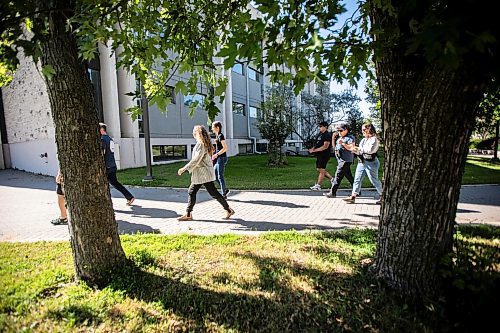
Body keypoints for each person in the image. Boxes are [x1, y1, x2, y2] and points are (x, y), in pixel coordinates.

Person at [177, 125, 235, 221]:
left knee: (194, 192)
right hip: (203, 174)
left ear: (198, 134)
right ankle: (228, 210)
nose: (193, 134)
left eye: (194, 132)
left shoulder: (201, 144)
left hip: (203, 174)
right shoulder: (204, 144)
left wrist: (184, 168)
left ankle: (188, 214)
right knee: (207, 192)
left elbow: (196, 160)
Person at [343, 123, 383, 204]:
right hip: (362, 161)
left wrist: (358, 149)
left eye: (364, 130)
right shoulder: (364, 140)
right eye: (362, 130)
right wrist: (354, 149)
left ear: (369, 130)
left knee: (374, 180)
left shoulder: (374, 139)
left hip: (371, 162)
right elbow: (360, 150)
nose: (363, 131)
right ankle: (353, 196)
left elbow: (370, 150)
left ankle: (383, 195)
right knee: (357, 179)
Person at [99, 123, 135, 205]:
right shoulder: (109, 138)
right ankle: (129, 197)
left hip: (107, 166)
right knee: (115, 183)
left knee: (105, 184)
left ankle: (105, 202)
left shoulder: (102, 140)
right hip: (112, 164)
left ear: (101, 129)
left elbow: (103, 152)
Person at [324, 122, 355, 198]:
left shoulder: (350, 138)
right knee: (349, 176)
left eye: (341, 131)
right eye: (338, 131)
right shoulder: (340, 138)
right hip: (340, 159)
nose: (339, 133)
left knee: (338, 176)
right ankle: (357, 191)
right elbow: (335, 148)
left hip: (346, 160)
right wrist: (333, 139)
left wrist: (344, 144)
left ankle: (332, 192)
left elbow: (351, 148)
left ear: (346, 130)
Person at [308, 121, 333, 190]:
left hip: (324, 155)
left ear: (326, 127)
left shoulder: (327, 135)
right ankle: (332, 180)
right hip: (320, 154)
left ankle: (318, 185)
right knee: (319, 169)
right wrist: (313, 148)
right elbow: (319, 143)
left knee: (321, 170)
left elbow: (325, 146)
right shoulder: (321, 135)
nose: (320, 128)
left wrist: (315, 150)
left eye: (321, 126)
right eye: (320, 126)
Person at [211, 121, 230, 198]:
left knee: (220, 176)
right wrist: (214, 152)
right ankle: (225, 190)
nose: (212, 129)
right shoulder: (217, 136)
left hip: (221, 158)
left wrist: (217, 154)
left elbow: (225, 148)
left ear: (217, 127)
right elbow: (219, 148)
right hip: (219, 158)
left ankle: (223, 194)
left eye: (213, 127)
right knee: (215, 176)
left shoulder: (220, 136)